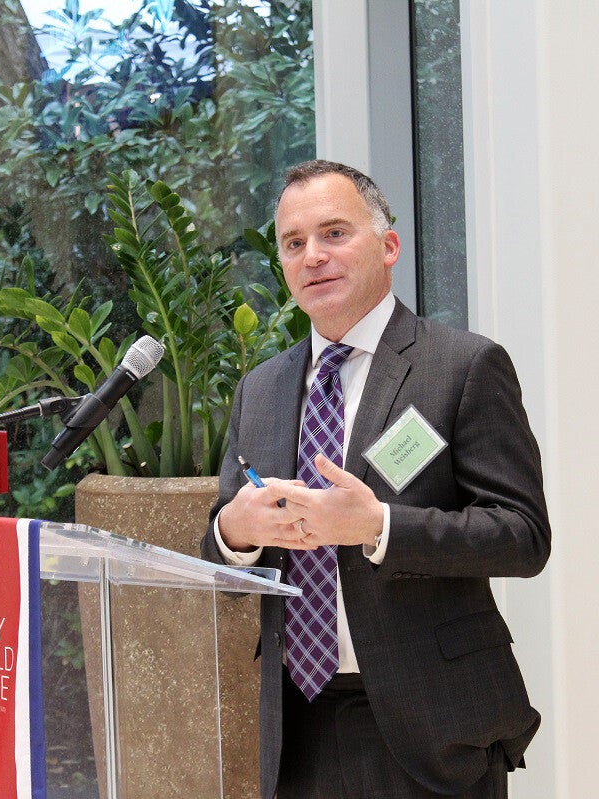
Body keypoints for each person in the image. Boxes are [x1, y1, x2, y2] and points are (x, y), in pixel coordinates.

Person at [201, 160, 550, 799]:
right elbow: (224, 546)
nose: (313, 256)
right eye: (293, 243)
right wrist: (234, 532)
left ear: (388, 246)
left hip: (432, 727)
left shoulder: (462, 367)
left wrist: (378, 527)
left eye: (334, 234)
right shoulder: (264, 388)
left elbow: (523, 536)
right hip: (299, 726)